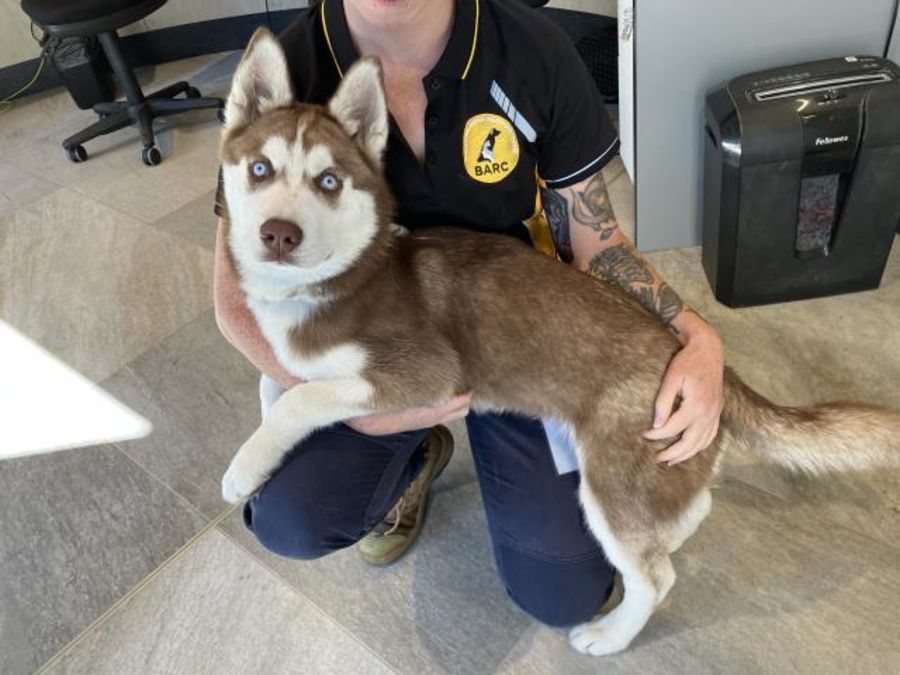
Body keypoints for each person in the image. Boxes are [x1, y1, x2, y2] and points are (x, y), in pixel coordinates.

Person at [213, 0, 725, 628]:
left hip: (513, 338)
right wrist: (354, 406)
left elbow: (595, 241)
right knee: (294, 518)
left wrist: (694, 333)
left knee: (564, 593)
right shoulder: (290, 64)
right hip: (370, 348)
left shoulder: (532, 50)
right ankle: (412, 457)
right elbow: (234, 299)